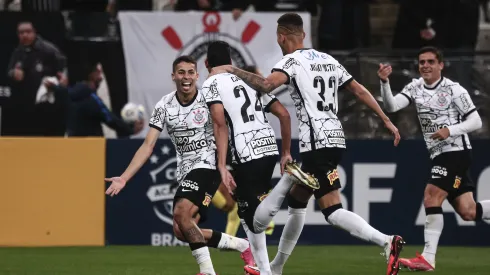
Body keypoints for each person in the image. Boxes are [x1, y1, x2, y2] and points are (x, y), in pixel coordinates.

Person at [210, 13, 405, 275]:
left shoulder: (291, 61)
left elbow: (267, 85)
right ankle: (276, 267)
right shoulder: (327, 59)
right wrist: (386, 119)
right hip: (336, 137)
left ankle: (386, 241)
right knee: (299, 204)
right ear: (303, 35)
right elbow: (358, 89)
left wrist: (233, 69)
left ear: (282, 37)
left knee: (331, 211)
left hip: (317, 142)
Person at [105, 56, 254, 275]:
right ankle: (242, 245)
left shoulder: (209, 98)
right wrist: (124, 177)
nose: (186, 77)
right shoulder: (164, 105)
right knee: (182, 230)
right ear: (174, 76)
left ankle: (207, 271)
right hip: (185, 172)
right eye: (181, 72)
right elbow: (148, 145)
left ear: (197, 75)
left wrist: (224, 164)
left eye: (190, 72)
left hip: (208, 164)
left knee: (181, 211)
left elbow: (224, 127)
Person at [202, 41, 317, 275]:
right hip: (268, 148)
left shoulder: (211, 83)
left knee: (254, 221)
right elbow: (284, 115)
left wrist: (221, 165)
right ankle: (265, 271)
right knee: (249, 219)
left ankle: (287, 181)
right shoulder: (249, 81)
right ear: (231, 62)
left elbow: (219, 123)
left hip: (245, 154)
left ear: (206, 64)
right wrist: (286, 152)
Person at [378, 46, 489, 271]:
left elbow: (476, 121)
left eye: (430, 61)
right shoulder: (415, 87)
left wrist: (451, 130)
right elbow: (392, 106)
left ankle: (428, 257)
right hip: (439, 153)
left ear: (441, 65)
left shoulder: (454, 90)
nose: (425, 66)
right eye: (422, 62)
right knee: (468, 211)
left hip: (455, 152)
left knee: (431, 195)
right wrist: (384, 82)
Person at [60, 62, 143, 137]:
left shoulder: (69, 95)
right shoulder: (92, 97)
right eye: (99, 72)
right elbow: (109, 118)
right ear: (91, 74)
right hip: (91, 146)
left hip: (71, 144)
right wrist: (130, 130)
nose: (101, 77)